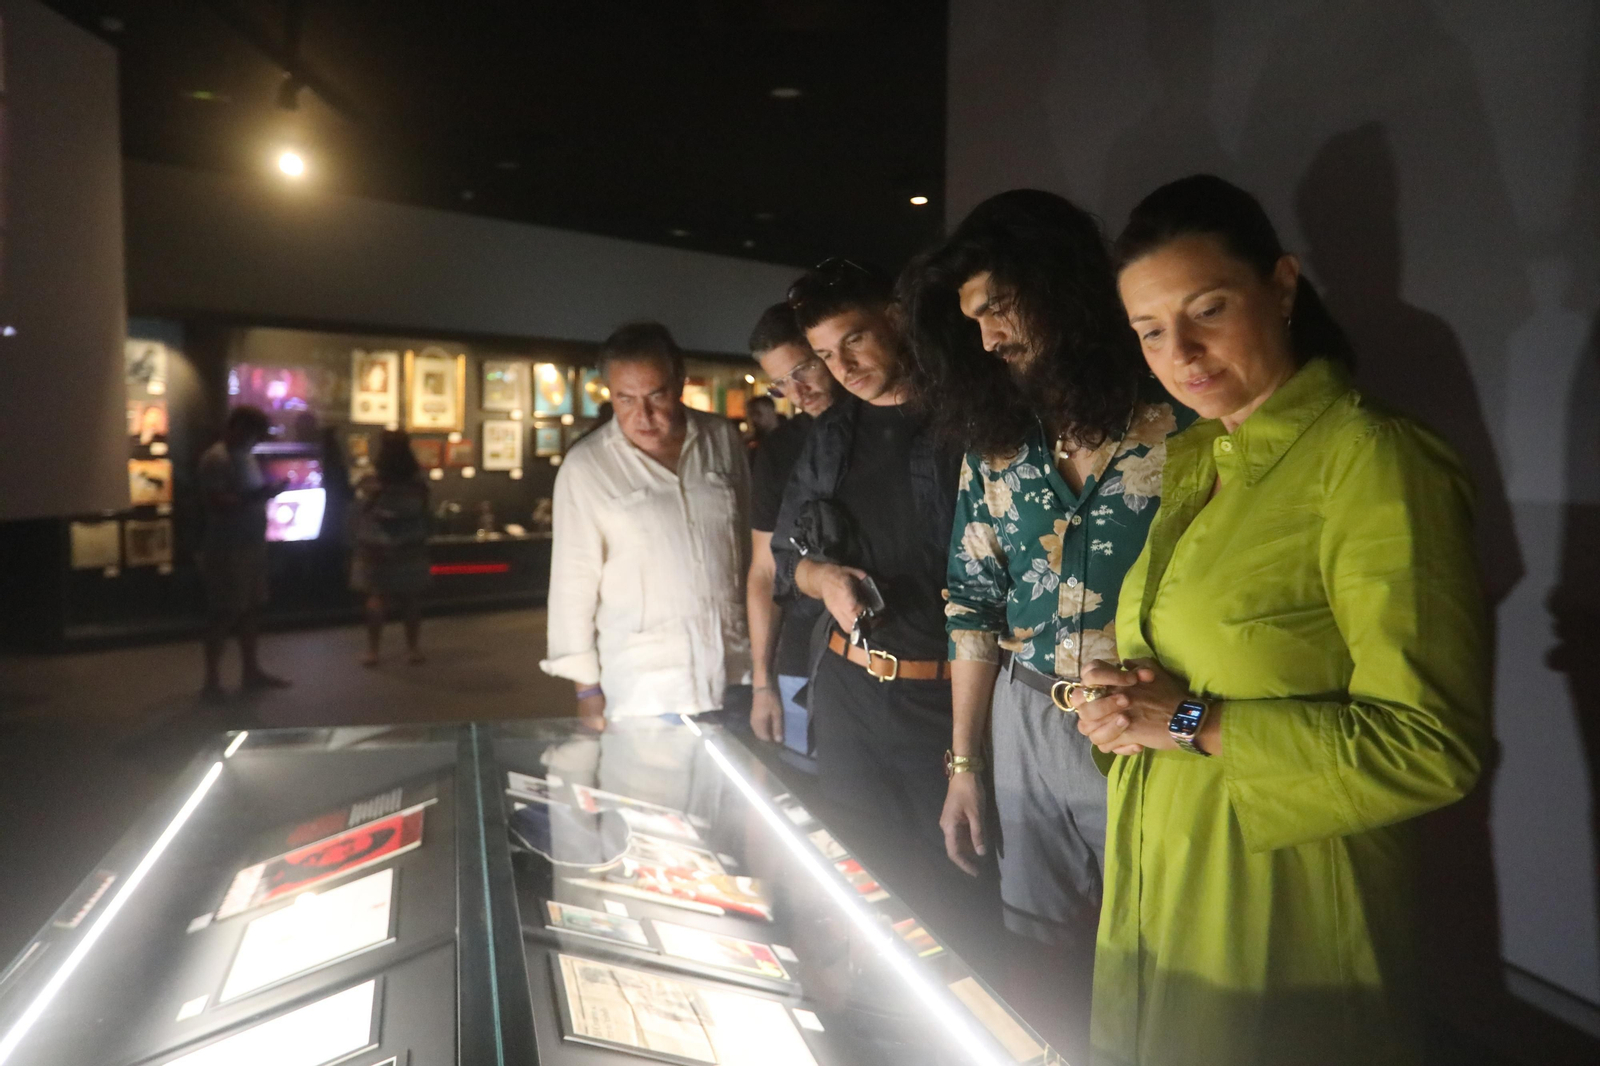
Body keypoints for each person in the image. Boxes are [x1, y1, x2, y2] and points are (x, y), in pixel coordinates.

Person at [1074, 174, 1488, 1066]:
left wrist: (1185, 719)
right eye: (1149, 330)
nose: (1179, 350)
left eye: (1208, 309)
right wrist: (1121, 709)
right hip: (1164, 877)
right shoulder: (1193, 462)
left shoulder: (1370, 460)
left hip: (1285, 907)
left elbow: (1431, 747)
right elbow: (1186, 680)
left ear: (1284, 286)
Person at [902, 189, 1191, 1042]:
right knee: (1041, 963)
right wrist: (964, 763)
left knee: (1164, 962)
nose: (987, 337)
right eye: (974, 321)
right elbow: (972, 605)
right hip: (1026, 717)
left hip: (1150, 719)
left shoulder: (1180, 415)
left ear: (1056, 284)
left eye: (997, 308)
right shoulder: (997, 439)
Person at [770, 259, 992, 952]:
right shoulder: (831, 437)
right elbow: (785, 559)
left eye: (855, 340)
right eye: (827, 356)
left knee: (953, 899)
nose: (845, 367)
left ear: (894, 319)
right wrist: (822, 579)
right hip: (848, 692)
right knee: (858, 885)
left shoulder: (967, 421)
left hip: (941, 701)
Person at [541, 322, 752, 728]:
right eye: (626, 400)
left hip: (736, 673)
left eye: (656, 396)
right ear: (609, 395)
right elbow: (572, 582)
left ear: (679, 383)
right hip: (648, 688)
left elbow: (747, 547)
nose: (644, 415)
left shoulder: (721, 439)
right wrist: (586, 689)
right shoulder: (587, 467)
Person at [744, 302, 840, 763]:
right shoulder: (780, 449)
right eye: (780, 383)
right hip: (799, 658)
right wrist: (762, 682)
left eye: (803, 369)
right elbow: (764, 570)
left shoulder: (891, 425)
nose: (796, 391)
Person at [197, 405, 291, 697]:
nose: (256, 440)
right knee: (224, 612)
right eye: (254, 434)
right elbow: (216, 501)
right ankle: (211, 681)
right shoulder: (217, 458)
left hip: (250, 542)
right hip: (228, 547)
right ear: (238, 428)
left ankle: (251, 671)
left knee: (250, 609)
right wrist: (262, 495)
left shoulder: (244, 455)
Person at [350, 430, 432, 666]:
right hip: (410, 544)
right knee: (411, 599)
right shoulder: (417, 481)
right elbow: (425, 508)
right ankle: (413, 649)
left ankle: (373, 651)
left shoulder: (373, 480)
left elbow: (361, 506)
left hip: (376, 545)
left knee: (376, 596)